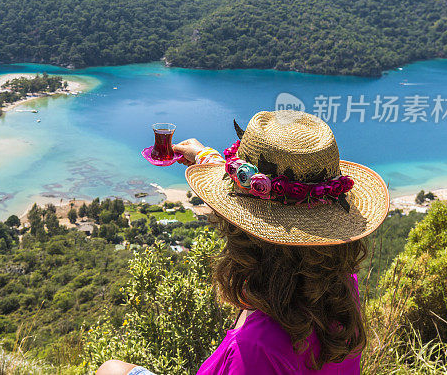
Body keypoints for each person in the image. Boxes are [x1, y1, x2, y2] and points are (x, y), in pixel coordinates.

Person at [97, 110, 389, 375]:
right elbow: (269, 192)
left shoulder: (254, 348)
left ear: (245, 238)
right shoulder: (340, 288)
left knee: (111, 369)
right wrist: (205, 156)